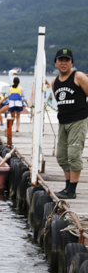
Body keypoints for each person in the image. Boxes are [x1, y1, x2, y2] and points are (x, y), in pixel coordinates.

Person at [51, 48, 88, 199]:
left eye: (67, 60)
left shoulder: (78, 76)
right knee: (61, 156)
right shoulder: (55, 82)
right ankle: (67, 187)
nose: (64, 63)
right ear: (55, 63)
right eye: (61, 60)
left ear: (72, 63)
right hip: (63, 122)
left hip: (78, 121)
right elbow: (59, 102)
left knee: (73, 155)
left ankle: (72, 191)